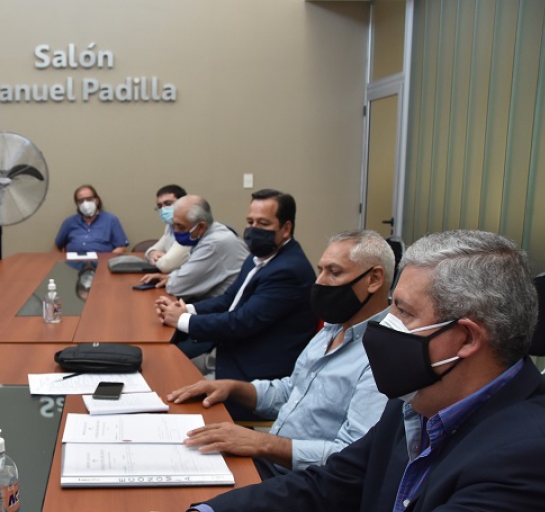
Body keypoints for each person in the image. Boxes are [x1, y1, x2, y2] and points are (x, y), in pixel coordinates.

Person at [117, 230, 545, 512]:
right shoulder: (420, 402)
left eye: (403, 312)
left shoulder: (528, 458)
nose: (385, 324)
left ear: (466, 339)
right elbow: (326, 486)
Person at [167, 230, 393, 477]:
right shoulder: (333, 328)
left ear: (374, 279)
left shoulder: (383, 356)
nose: (319, 282)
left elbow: (354, 456)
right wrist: (233, 388)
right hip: (271, 462)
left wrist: (261, 443)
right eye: (321, 270)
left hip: (307, 483)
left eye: (334, 273)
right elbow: (290, 392)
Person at [156, 189, 317, 406]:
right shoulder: (258, 257)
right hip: (230, 351)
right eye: (250, 222)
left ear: (286, 228)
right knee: (160, 368)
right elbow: (228, 300)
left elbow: (241, 322)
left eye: (263, 223)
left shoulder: (289, 271)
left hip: (254, 376)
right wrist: (186, 310)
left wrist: (182, 320)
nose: (253, 229)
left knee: (168, 390)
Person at [139, 195, 248, 302]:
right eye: (174, 225)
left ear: (201, 227)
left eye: (181, 226)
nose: (176, 231)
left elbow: (177, 287)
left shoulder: (213, 244)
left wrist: (171, 280)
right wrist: (168, 278)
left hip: (225, 309)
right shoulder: (208, 231)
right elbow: (187, 272)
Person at [54, 184, 128, 254]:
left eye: (89, 199)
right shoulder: (69, 222)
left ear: (97, 201)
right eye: (81, 201)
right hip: (74, 262)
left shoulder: (111, 220)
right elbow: (57, 246)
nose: (85, 203)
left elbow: (121, 247)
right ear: (77, 204)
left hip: (102, 261)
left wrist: (107, 260)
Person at [144, 184, 190, 272]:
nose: (163, 209)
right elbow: (152, 250)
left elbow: (166, 265)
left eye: (168, 203)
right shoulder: (170, 226)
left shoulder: (191, 226)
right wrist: (152, 253)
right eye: (159, 206)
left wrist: (155, 260)